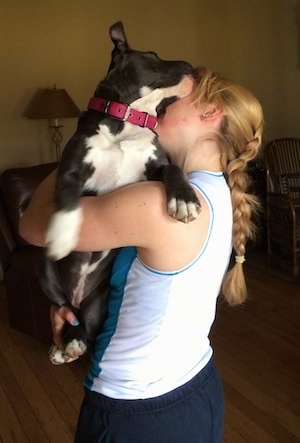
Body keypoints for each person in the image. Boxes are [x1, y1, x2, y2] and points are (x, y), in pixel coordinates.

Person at [19, 66, 264, 443]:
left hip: (139, 416)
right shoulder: (217, 193)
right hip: (196, 389)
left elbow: (32, 226)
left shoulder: (155, 203)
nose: (156, 103)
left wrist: (87, 140)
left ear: (209, 112)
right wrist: (78, 303)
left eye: (171, 98)